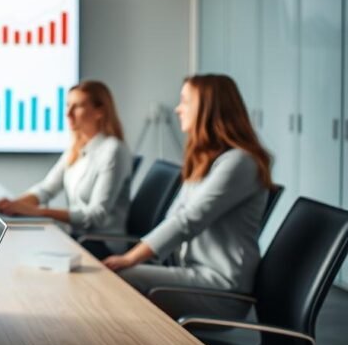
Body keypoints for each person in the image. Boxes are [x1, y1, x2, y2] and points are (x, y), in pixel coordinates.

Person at [103, 74, 271, 319]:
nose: (177, 108)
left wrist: (130, 258)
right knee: (119, 277)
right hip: (190, 272)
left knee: (121, 279)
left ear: (208, 108)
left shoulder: (240, 163)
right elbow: (176, 216)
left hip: (221, 288)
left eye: (184, 101)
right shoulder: (205, 161)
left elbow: (188, 220)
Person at [0, 81, 133, 257]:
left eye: (78, 106)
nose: (68, 113)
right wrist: (14, 205)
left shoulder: (113, 150)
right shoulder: (76, 148)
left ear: (100, 111)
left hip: (100, 244)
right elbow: (46, 189)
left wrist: (38, 212)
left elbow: (96, 215)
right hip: (77, 237)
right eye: (68, 105)